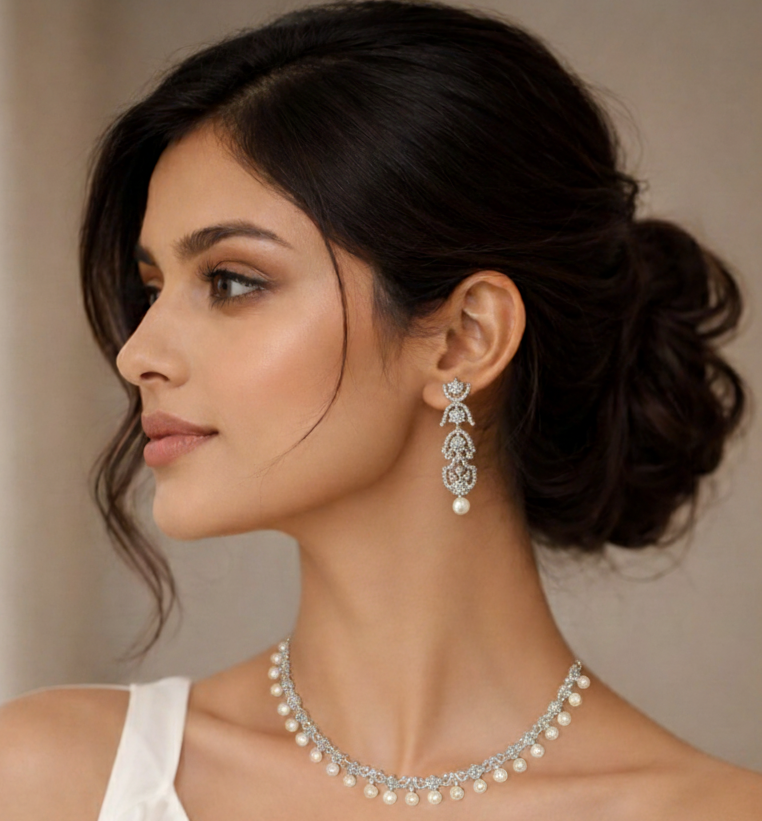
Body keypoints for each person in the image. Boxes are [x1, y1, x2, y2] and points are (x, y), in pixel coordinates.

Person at [1, 1, 760, 818]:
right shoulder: (53, 779)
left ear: (465, 338)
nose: (136, 353)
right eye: (152, 289)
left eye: (230, 281)